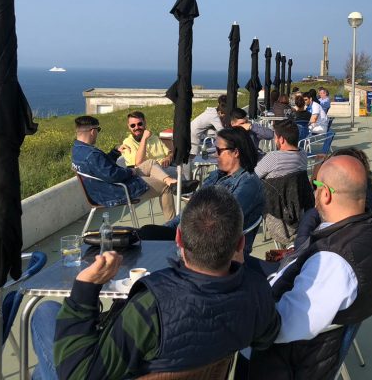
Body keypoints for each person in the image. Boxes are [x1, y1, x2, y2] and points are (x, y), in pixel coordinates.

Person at [30, 188, 281, 380]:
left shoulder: (152, 308)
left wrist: (84, 293)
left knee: (44, 313)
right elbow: (267, 337)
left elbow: (79, 374)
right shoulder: (257, 294)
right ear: (240, 244)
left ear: (179, 238)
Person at [243, 155, 372, 380]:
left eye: (315, 186)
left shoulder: (333, 263)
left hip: (286, 362)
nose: (313, 193)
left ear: (325, 193)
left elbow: (278, 327)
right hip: (307, 342)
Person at [71, 116, 169, 210]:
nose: (98, 133)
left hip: (100, 191)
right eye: (98, 129)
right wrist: (130, 172)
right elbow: (112, 175)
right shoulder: (92, 154)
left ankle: (169, 180)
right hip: (117, 191)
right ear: (92, 131)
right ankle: (170, 225)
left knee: (150, 163)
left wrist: (115, 151)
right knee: (165, 187)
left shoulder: (76, 149)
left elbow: (102, 166)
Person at [118, 111, 196, 221]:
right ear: (129, 127)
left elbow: (169, 152)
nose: (137, 127)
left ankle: (186, 198)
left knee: (186, 165)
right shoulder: (128, 143)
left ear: (145, 123)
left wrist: (167, 158)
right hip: (144, 175)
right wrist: (144, 139)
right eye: (133, 125)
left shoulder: (153, 137)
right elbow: (138, 164)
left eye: (140, 124)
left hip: (163, 170)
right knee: (175, 178)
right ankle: (189, 198)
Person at [190, 94, 227, 159]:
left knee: (193, 155)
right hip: (193, 134)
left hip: (192, 130)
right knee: (193, 156)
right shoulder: (214, 116)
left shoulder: (212, 112)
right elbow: (222, 131)